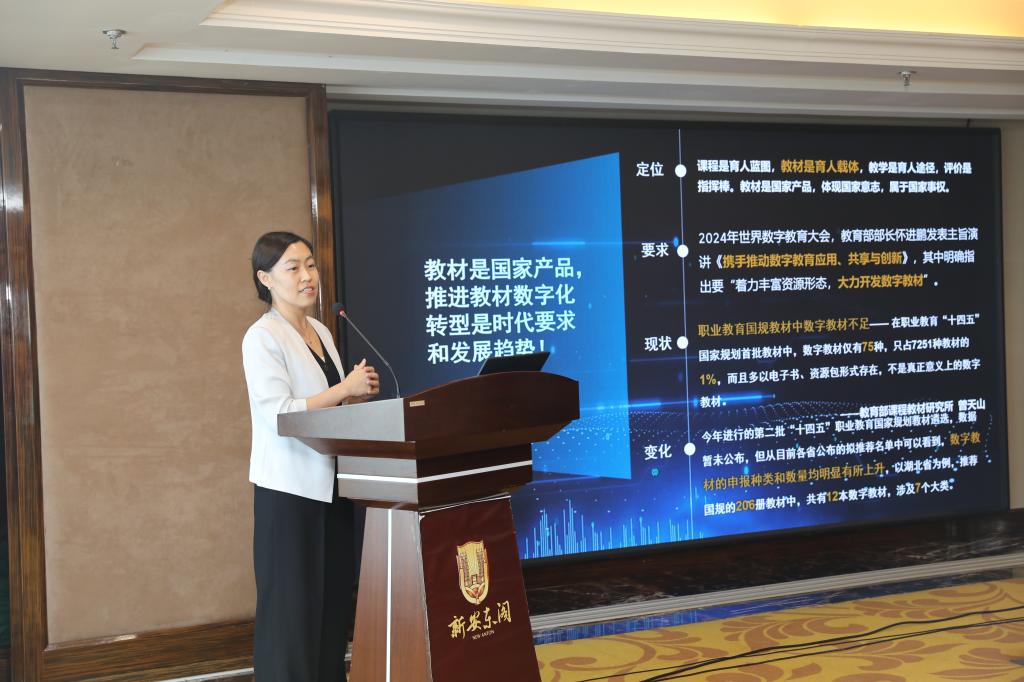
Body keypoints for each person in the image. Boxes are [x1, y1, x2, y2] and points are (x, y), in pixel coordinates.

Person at [242, 231, 379, 681]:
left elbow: (326, 407)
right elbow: (281, 414)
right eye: (293, 267)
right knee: (291, 615)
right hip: (288, 494)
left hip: (332, 488)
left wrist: (354, 396)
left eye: (311, 265)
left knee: (330, 608)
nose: (307, 276)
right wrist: (343, 389)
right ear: (266, 279)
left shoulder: (320, 330)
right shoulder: (261, 337)